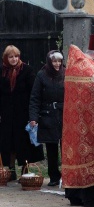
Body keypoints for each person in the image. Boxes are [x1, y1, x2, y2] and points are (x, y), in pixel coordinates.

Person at [62, 34, 94, 207]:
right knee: (91, 156)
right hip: (89, 127)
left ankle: (76, 195)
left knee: (76, 156)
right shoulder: (89, 69)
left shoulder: (78, 64)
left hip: (75, 124)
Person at [0, 45, 44, 181]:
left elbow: (34, 93)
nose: (14, 59)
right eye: (11, 57)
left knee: (24, 143)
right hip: (6, 114)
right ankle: (11, 170)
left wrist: (33, 115)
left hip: (23, 113)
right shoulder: (2, 71)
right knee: (9, 143)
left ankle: (25, 171)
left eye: (16, 56)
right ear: (6, 58)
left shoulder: (27, 70)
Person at [29, 50, 65, 186]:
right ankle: (54, 176)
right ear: (50, 62)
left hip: (63, 113)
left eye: (59, 61)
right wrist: (34, 117)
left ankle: (67, 175)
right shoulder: (42, 75)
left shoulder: (66, 73)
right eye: (54, 61)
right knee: (51, 147)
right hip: (48, 114)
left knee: (65, 146)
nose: (57, 64)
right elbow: (35, 98)